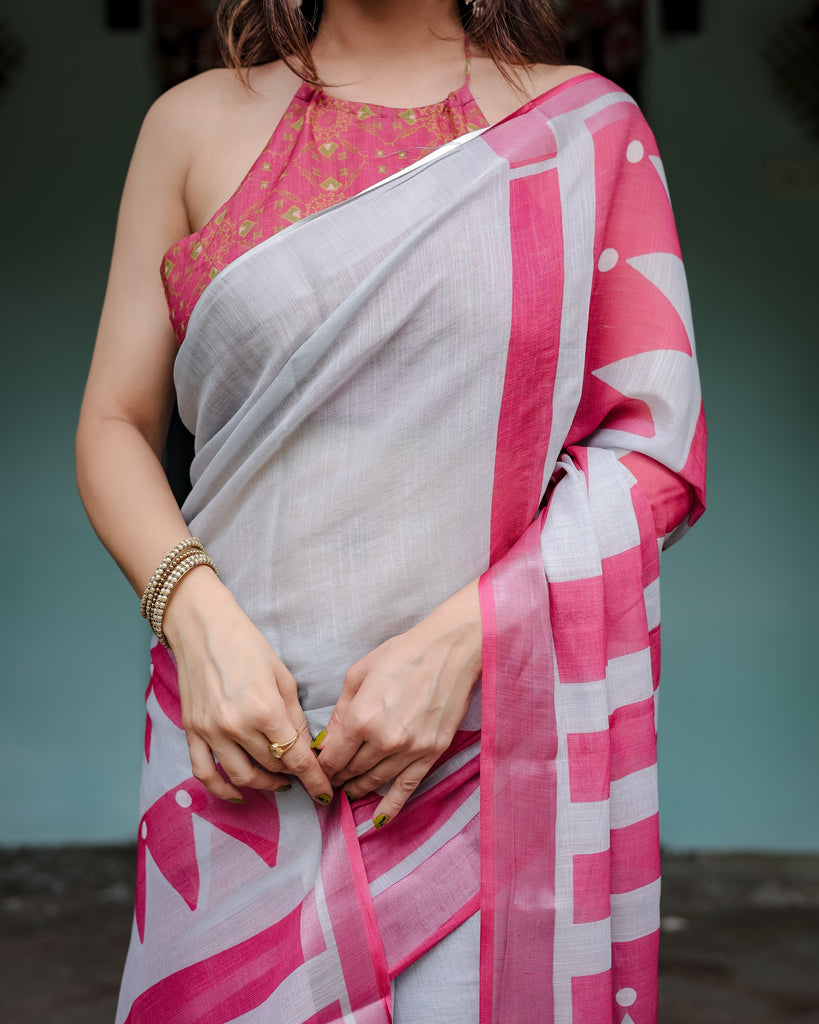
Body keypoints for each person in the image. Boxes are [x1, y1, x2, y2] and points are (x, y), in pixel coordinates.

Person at [75, 1, 706, 1021]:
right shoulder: (190, 126)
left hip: (486, 747)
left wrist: (469, 638)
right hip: (241, 738)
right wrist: (199, 625)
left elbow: (649, 451)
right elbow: (113, 423)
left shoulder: (584, 131)